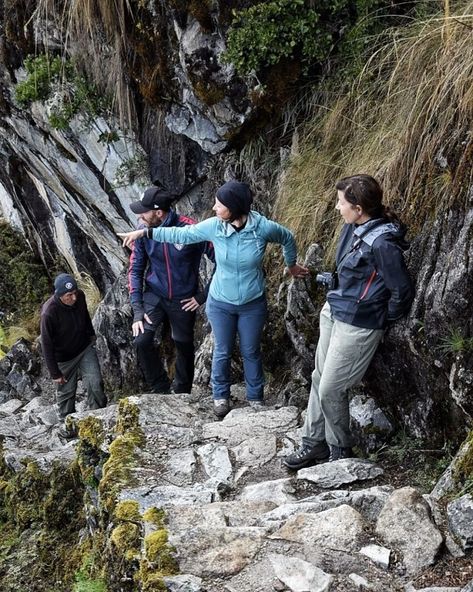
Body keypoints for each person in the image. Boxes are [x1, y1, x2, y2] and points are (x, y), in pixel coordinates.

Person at [118, 180, 309, 417]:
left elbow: (287, 238)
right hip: (216, 301)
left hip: (250, 301)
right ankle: (219, 397)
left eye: (218, 205)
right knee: (221, 349)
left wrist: (291, 265)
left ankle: (255, 399)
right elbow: (181, 235)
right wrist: (145, 232)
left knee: (250, 350)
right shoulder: (213, 226)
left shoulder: (263, 228)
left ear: (233, 208)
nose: (213, 208)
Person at [284, 174, 414, 469]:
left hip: (358, 323)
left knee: (331, 388)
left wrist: (382, 317)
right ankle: (313, 443)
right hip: (334, 311)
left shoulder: (382, 244)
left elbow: (401, 289)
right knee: (318, 378)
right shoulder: (352, 227)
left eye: (341, 202)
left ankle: (340, 450)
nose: (336, 207)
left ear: (358, 208)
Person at [126, 186, 214, 394]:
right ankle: (160, 389)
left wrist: (203, 296)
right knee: (142, 339)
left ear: (159, 213)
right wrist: (137, 308)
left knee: (183, 344)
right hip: (154, 294)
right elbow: (135, 269)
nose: (140, 216)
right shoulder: (143, 232)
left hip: (184, 298)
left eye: (143, 212)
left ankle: (183, 392)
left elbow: (222, 261)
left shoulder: (190, 229)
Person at [40, 273, 107, 436]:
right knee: (66, 393)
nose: (74, 298)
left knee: (95, 383)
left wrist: (91, 335)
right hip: (63, 359)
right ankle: (68, 426)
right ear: (59, 295)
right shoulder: (49, 313)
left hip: (84, 349)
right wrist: (55, 373)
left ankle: (98, 419)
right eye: (69, 295)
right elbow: (46, 346)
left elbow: (84, 316)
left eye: (75, 293)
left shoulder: (80, 297)